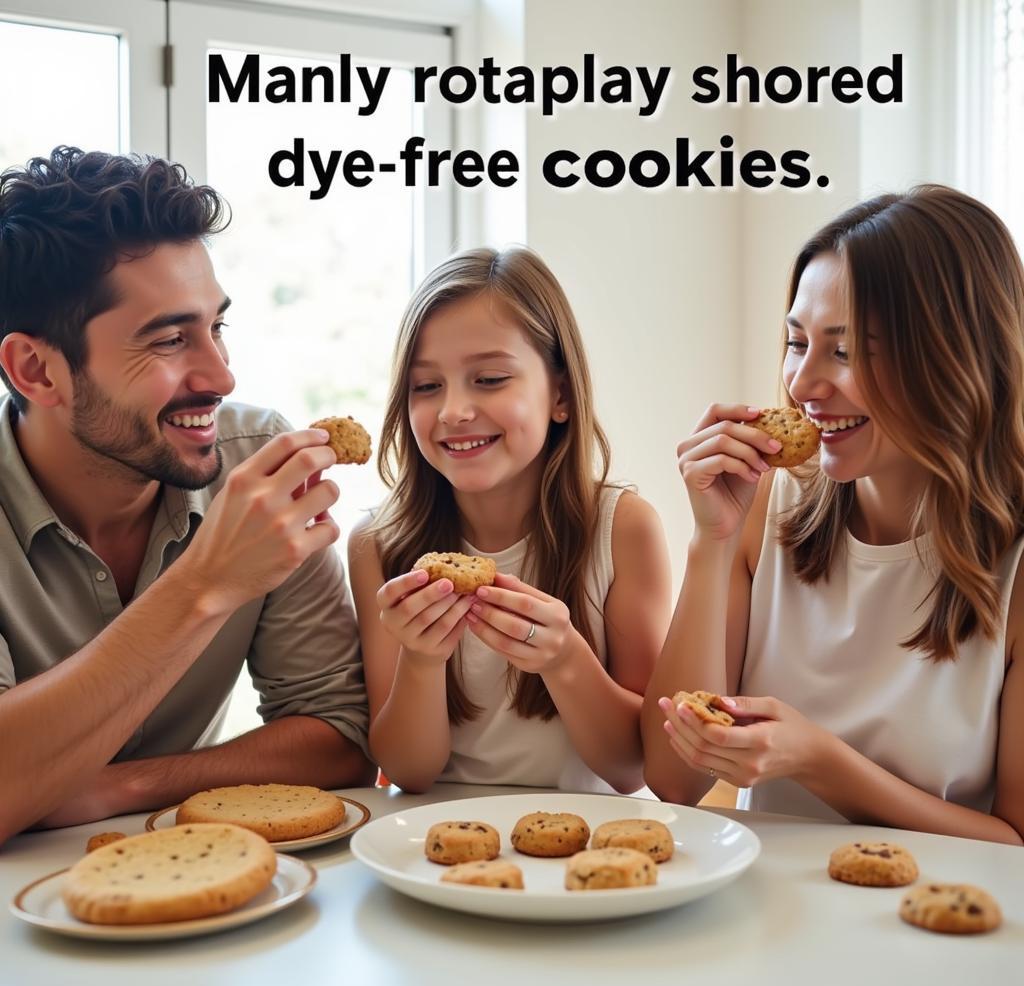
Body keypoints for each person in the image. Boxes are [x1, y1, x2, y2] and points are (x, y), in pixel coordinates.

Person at [0, 147, 374, 846]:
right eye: (171, 339)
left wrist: (126, 785)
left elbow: (340, 737)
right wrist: (208, 583)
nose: (221, 376)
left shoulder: (256, 462)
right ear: (36, 370)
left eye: (216, 327)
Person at [642, 185, 1024, 845]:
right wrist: (711, 541)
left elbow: (1014, 842)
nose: (801, 384)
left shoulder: (1012, 566)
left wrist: (820, 762)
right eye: (797, 342)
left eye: (846, 351)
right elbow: (675, 780)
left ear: (955, 357)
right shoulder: (764, 504)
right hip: (768, 917)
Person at [348, 247, 671, 794]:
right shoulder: (378, 545)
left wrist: (566, 658)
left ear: (561, 395)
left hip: (588, 848)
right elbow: (409, 771)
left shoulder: (623, 530)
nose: (453, 411)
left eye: (491, 379)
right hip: (438, 849)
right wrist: (422, 662)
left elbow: (630, 767)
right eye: (427, 386)